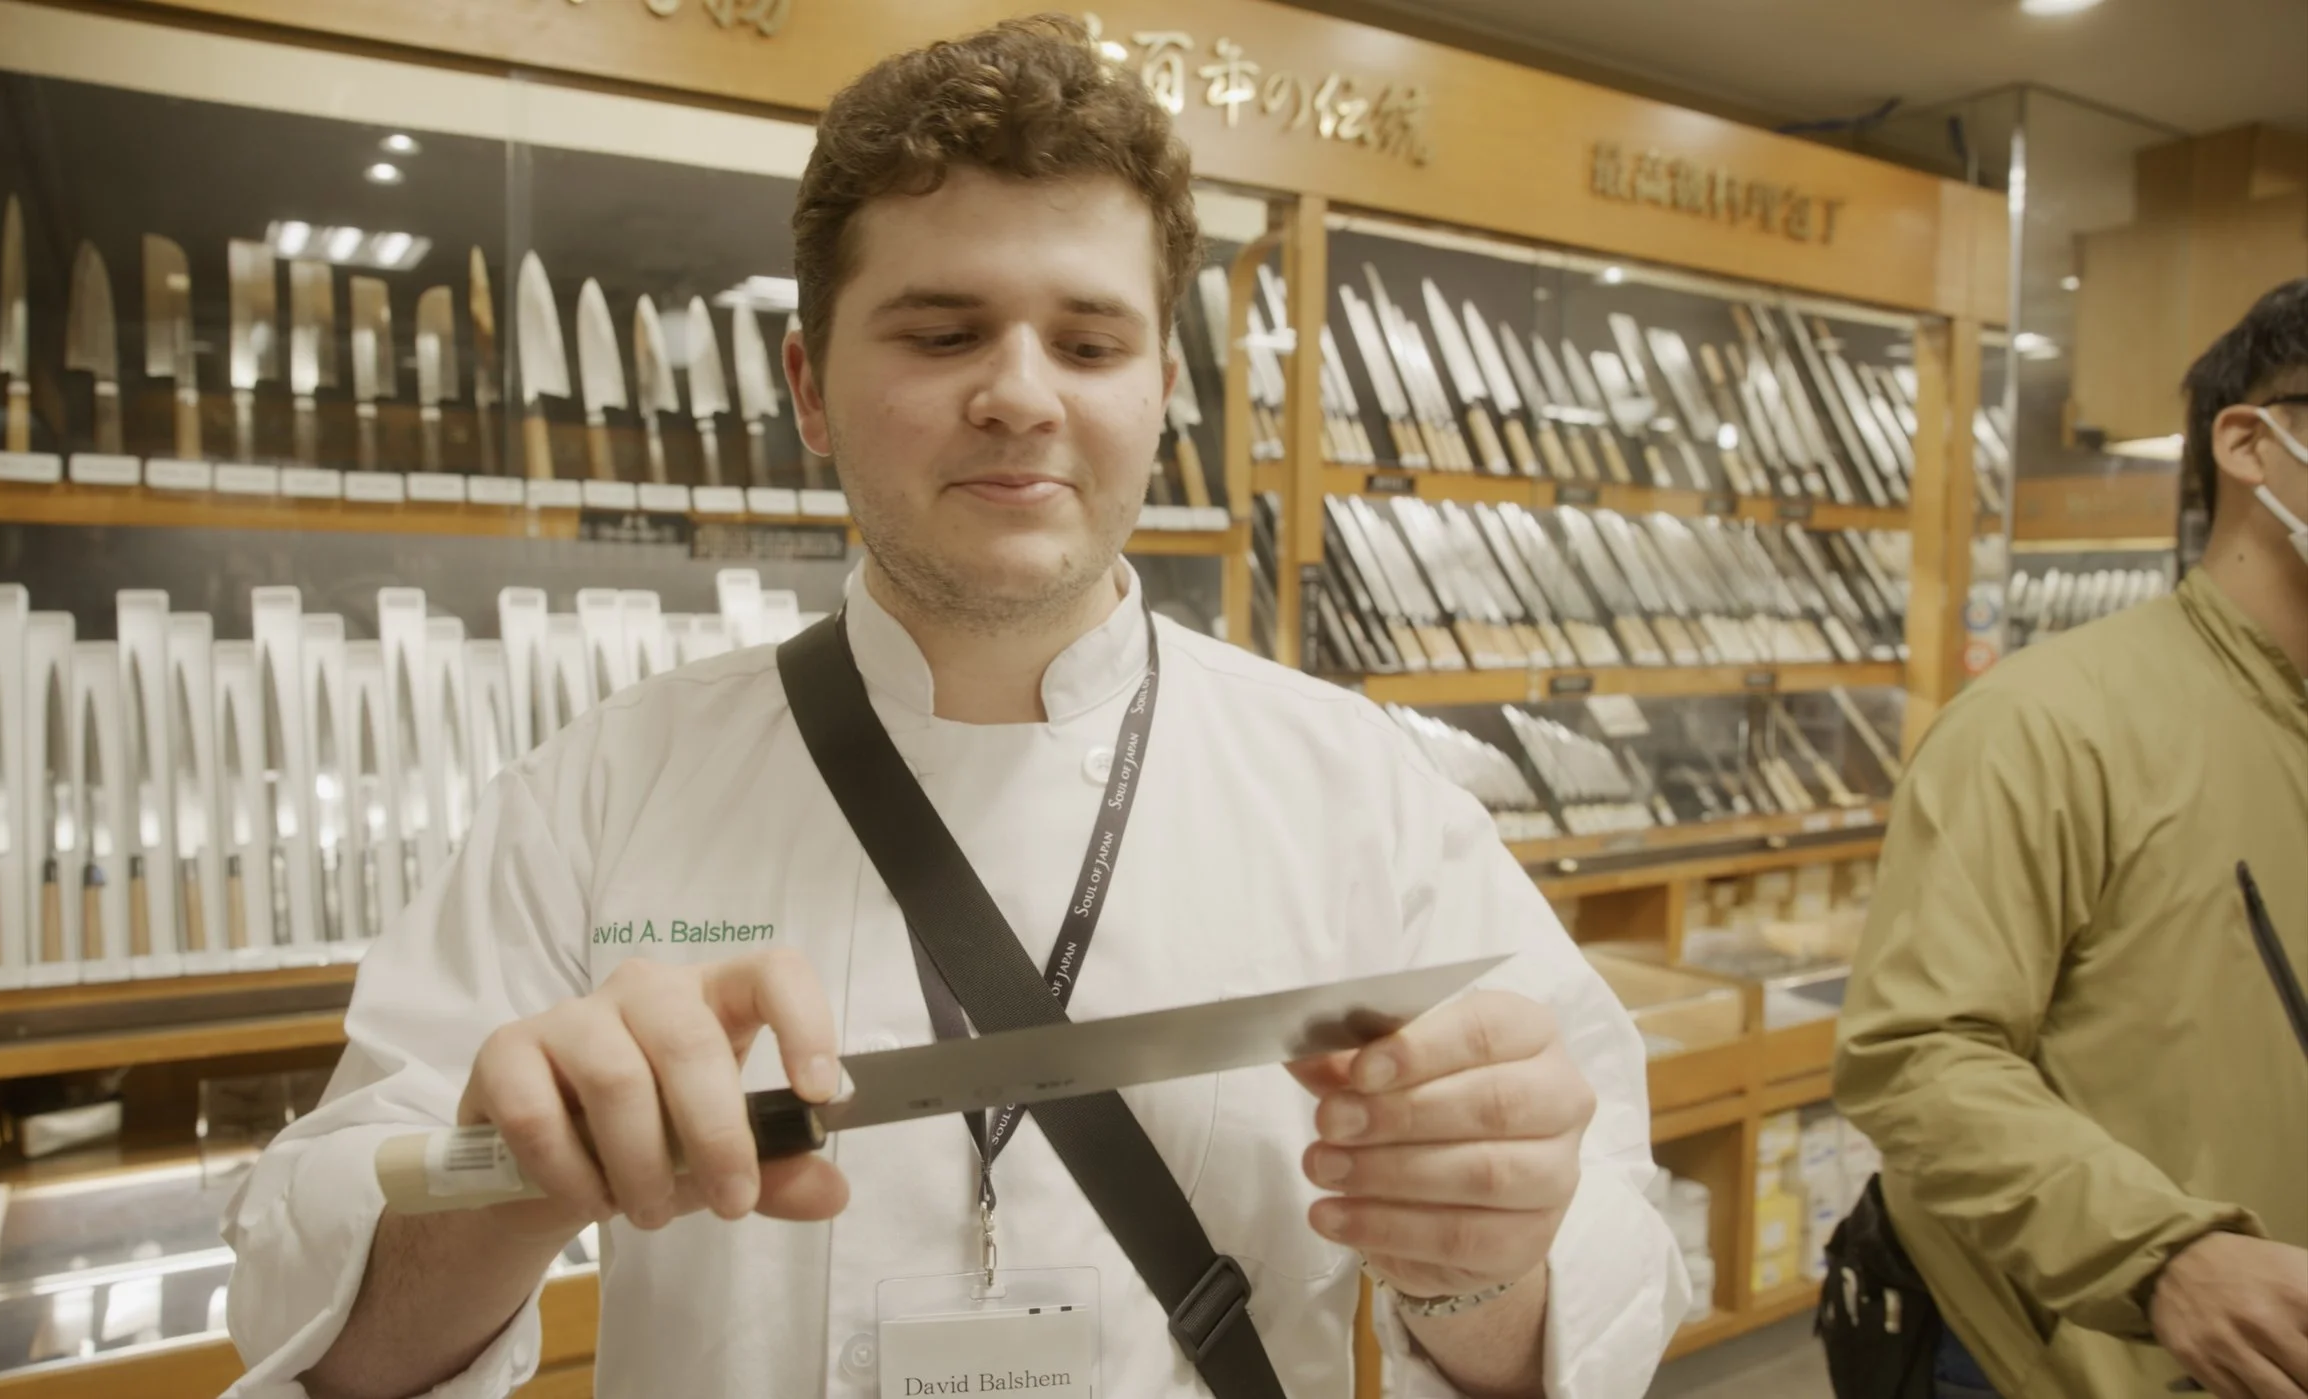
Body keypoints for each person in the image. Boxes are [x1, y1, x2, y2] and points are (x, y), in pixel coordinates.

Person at [222, 17, 1684, 1398]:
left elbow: (1599, 1260)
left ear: (1165, 389)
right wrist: (510, 1175)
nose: (1020, 394)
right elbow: (321, 1314)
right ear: (808, 386)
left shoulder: (1356, 790)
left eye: (1092, 343)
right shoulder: (603, 788)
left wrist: (1474, 1269)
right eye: (940, 333)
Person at [1835, 279, 2308, 1399]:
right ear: (2251, 441)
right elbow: (1916, 1057)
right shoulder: (2046, 723)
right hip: (2065, 1360)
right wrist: (2161, 1254)